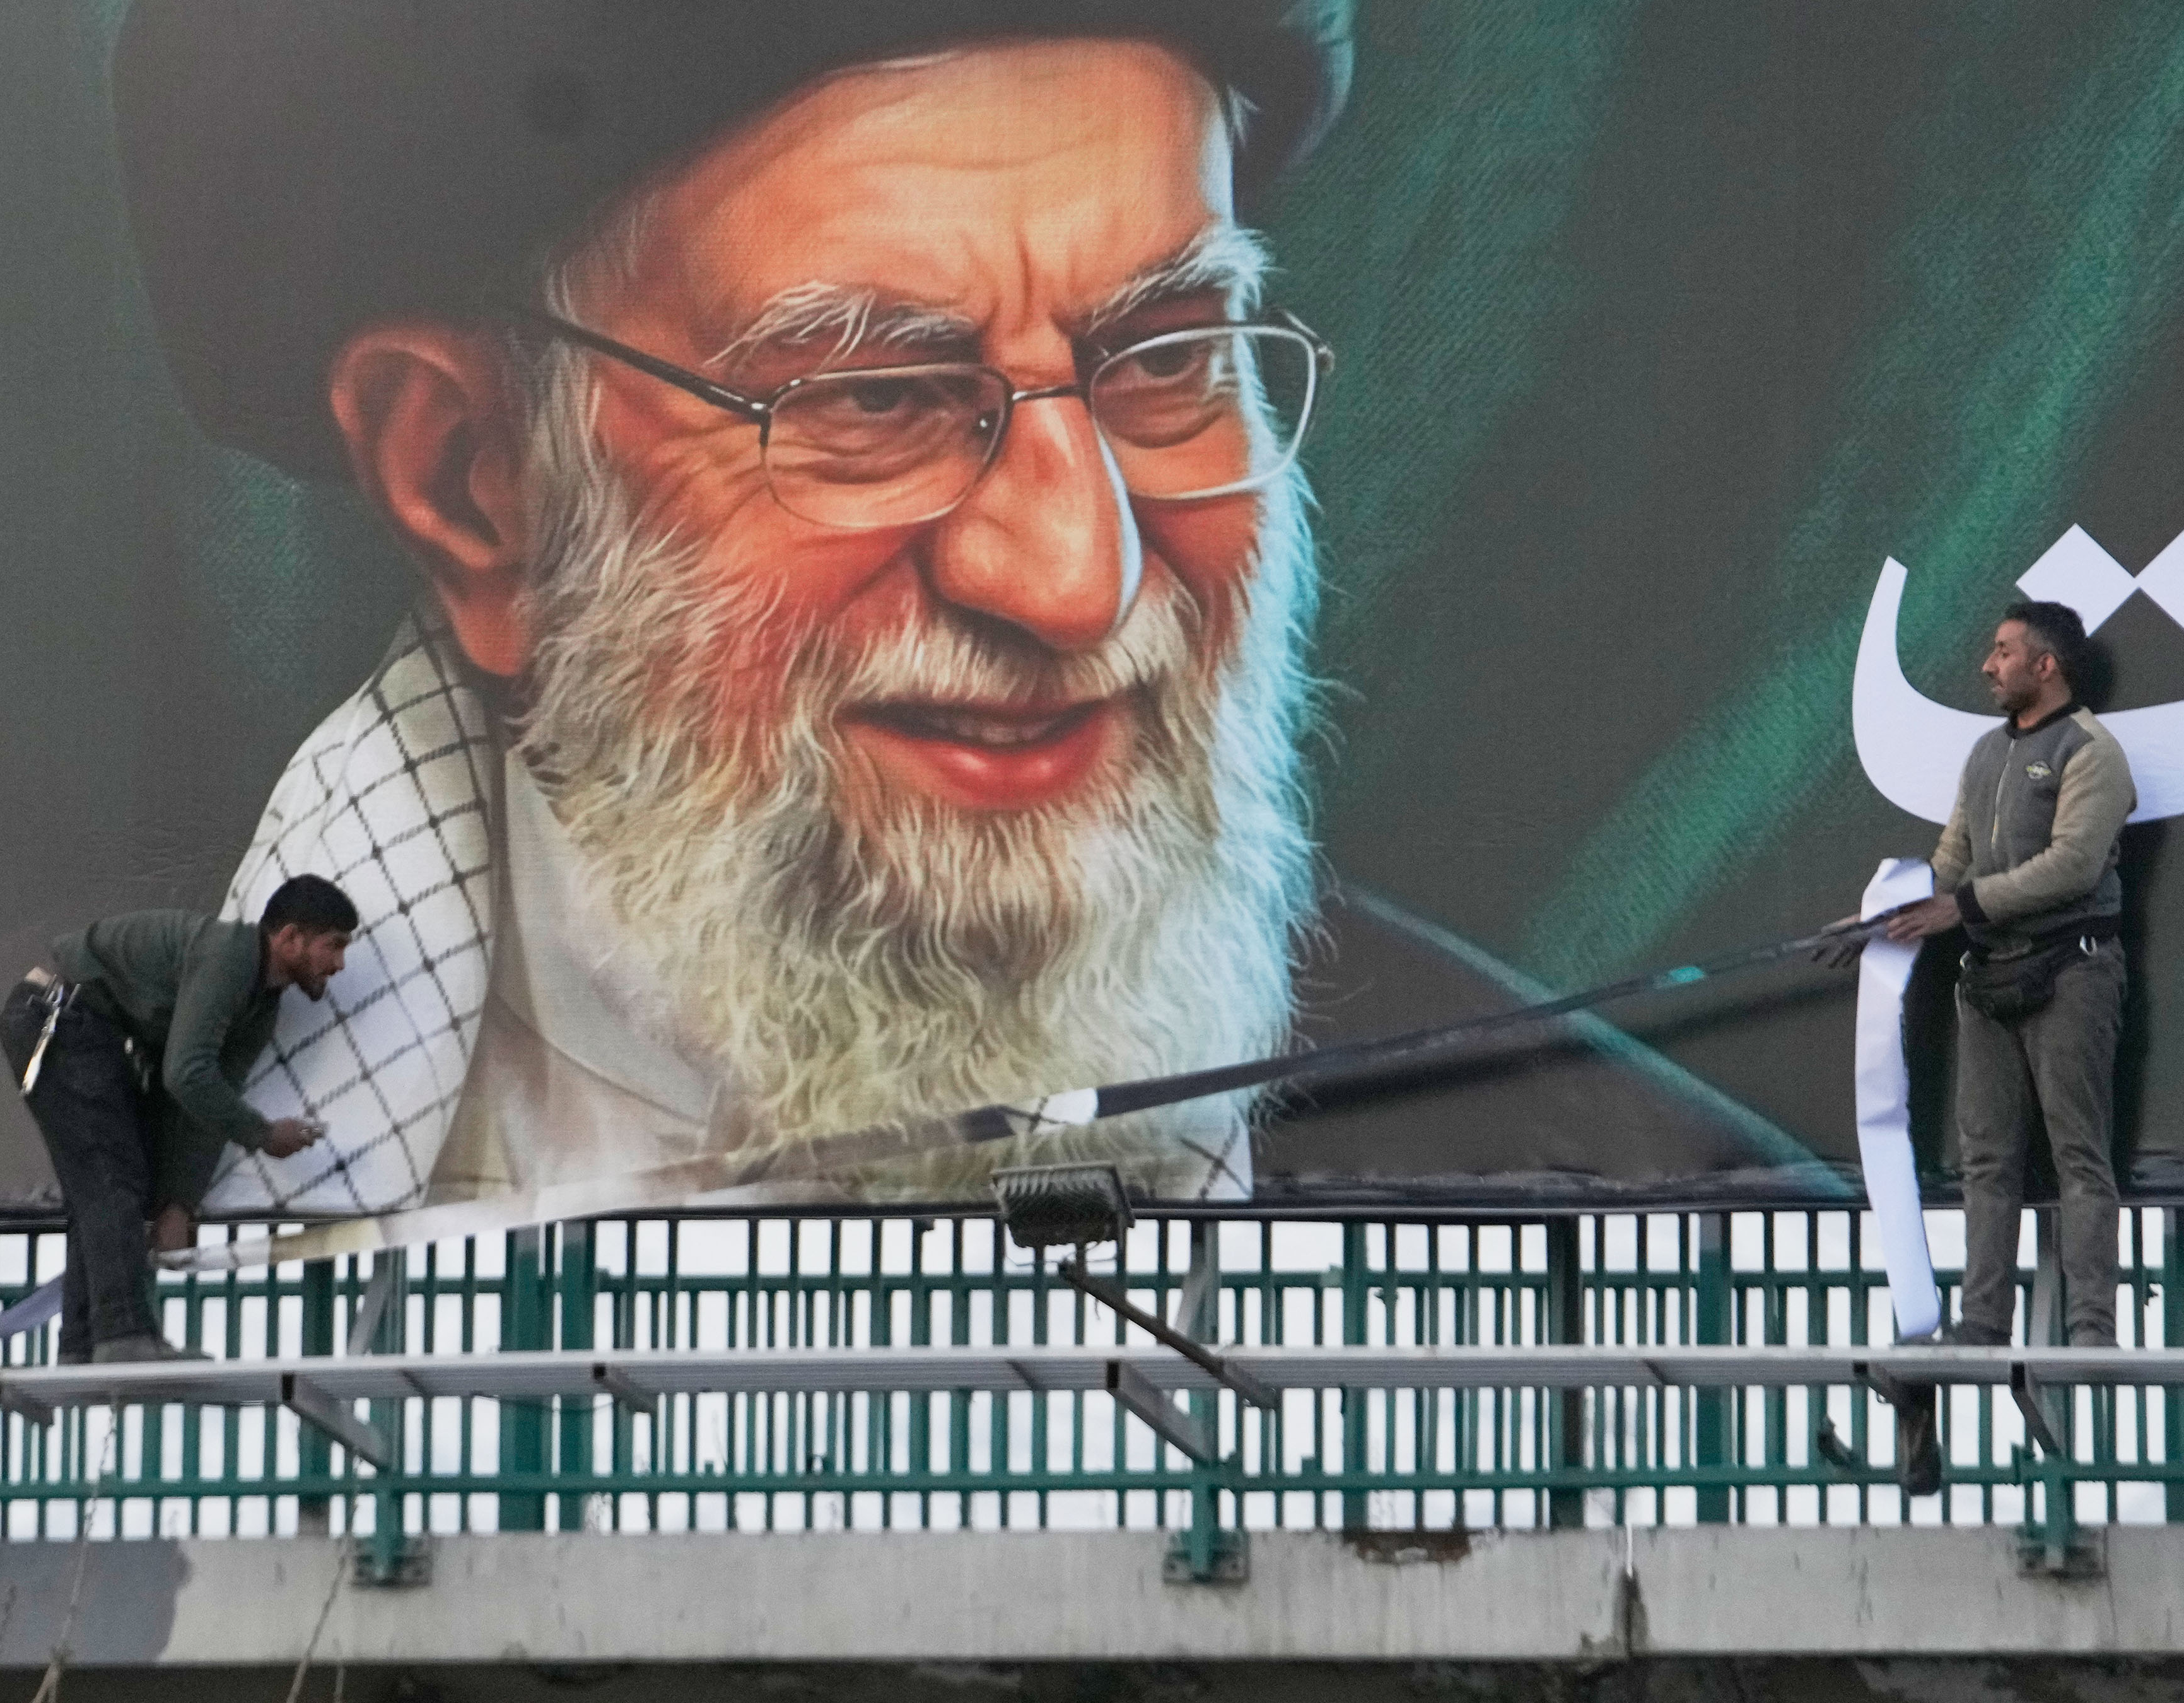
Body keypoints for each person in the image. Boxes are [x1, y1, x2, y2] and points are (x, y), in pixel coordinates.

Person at [115, 0, 1799, 1222]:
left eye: (1163, 359)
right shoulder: (24, 1202)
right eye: (874, 395)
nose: (1076, 573)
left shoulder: (1670, 1253)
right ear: (472, 482)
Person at [1883, 601, 2134, 1349]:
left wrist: (1958, 907)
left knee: (2079, 1155)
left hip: (2073, 971)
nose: (1987, 666)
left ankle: (2092, 1331)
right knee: (1987, 1162)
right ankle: (1983, 1324)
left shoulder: (2092, 751)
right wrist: (1884, 917)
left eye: (2002, 651)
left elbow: (2073, 866)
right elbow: (1953, 856)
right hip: (1989, 977)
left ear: (2045, 665)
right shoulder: (1986, 753)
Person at [0, 876, 354, 1362]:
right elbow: (187, 1074)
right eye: (334, 945)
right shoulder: (229, 958)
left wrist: (179, 1204)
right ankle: (123, 1336)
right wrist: (264, 1134)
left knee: (105, 1186)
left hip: (89, 1033)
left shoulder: (260, 1005)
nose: (339, 964)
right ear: (290, 938)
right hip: (61, 1021)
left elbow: (208, 1100)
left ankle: (85, 1344)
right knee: (111, 1180)